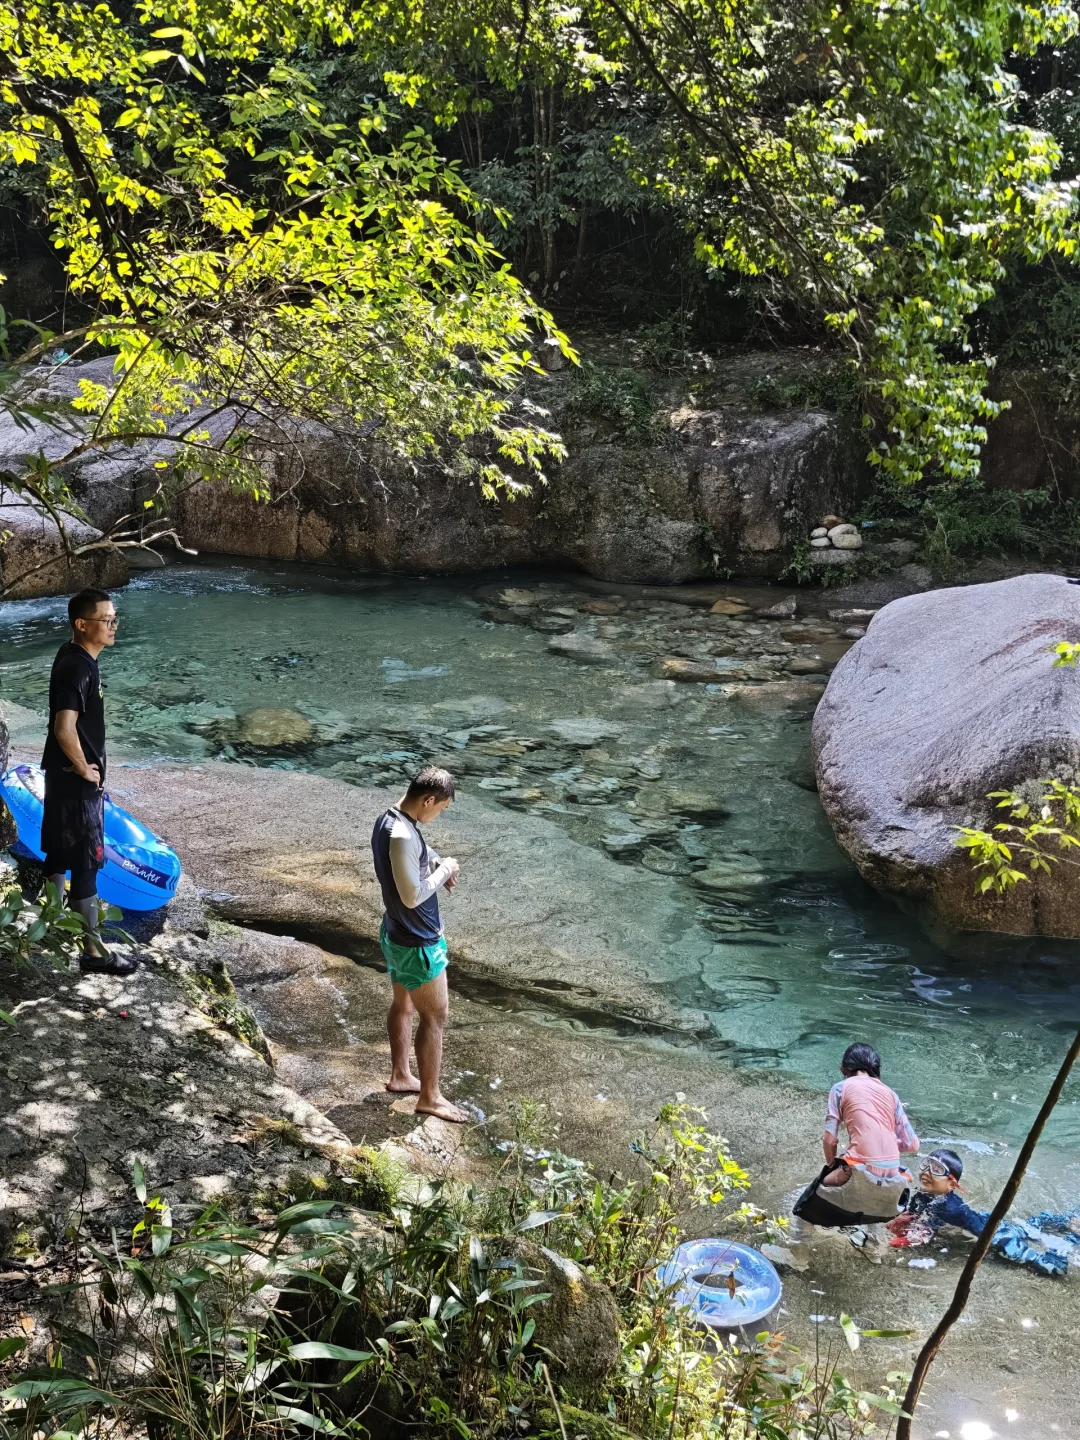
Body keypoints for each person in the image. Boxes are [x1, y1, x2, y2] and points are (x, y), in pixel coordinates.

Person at [41, 587, 135, 975]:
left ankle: (50, 923)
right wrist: (84, 768)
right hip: (75, 782)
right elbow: (64, 727)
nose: (113, 625)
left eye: (115, 618)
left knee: (59, 854)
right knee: (86, 865)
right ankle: (95, 953)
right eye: (106, 619)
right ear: (82, 624)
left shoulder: (73, 655)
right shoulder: (78, 667)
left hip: (63, 780)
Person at [370, 766, 466, 1123]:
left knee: (404, 1004)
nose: (437, 815)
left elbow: (408, 866)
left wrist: (437, 862)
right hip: (417, 944)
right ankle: (430, 1096)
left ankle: (400, 1075)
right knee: (435, 1015)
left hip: (395, 932)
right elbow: (411, 897)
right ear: (427, 800)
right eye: (439, 808)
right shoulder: (403, 835)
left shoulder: (388, 819)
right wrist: (446, 870)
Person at [886, 1147, 1080, 1277]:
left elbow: (932, 1226)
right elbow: (916, 1211)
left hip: (994, 1234)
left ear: (952, 1184)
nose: (926, 1172)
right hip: (985, 1220)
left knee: (1051, 1268)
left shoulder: (949, 1206)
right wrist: (905, 1219)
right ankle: (1068, 1219)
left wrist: (911, 1237)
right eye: (925, 1165)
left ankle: (1071, 1238)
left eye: (936, 1170)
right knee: (1028, 1227)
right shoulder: (924, 1192)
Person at [821, 1042, 919, 1187]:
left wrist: (831, 1165)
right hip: (892, 1171)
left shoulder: (839, 1089)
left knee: (821, 1186)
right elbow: (912, 1145)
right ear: (875, 1067)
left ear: (844, 1068)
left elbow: (829, 1140)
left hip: (860, 1168)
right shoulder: (891, 1093)